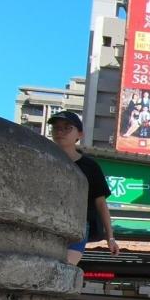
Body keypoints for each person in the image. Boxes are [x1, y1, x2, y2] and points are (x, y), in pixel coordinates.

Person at [48, 110, 119, 265]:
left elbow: (100, 203)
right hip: (48, 221)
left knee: (65, 265)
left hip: (78, 224)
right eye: (56, 128)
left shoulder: (90, 166)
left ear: (79, 134)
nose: (60, 132)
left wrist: (110, 237)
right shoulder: (44, 159)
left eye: (67, 128)